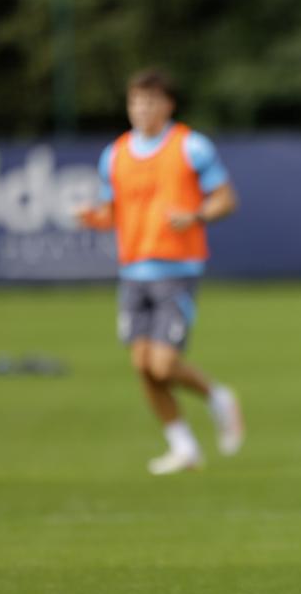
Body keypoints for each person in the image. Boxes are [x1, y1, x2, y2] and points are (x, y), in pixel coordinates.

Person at [77, 68, 244, 475]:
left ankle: (218, 396)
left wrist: (195, 215)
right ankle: (183, 446)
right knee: (141, 365)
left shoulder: (191, 147)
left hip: (176, 268)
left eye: (149, 101)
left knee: (163, 365)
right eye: (135, 101)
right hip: (132, 270)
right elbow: (110, 211)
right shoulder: (114, 153)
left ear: (167, 105)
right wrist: (92, 217)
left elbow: (225, 199)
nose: (141, 109)